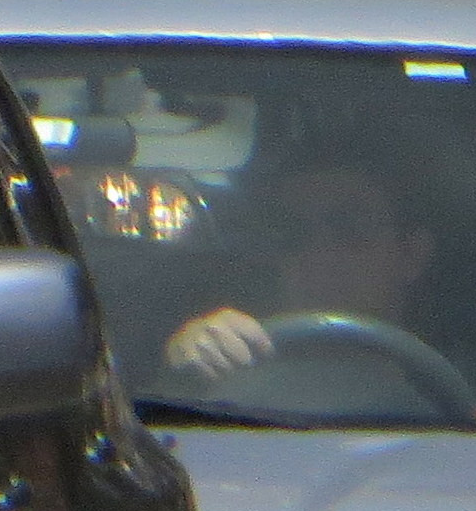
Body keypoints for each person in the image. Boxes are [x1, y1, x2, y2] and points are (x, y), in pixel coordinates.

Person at [164, 162, 438, 381]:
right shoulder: (237, 368)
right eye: (293, 232)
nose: (319, 253)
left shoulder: (473, 401)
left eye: (350, 226)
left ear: (411, 253)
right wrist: (193, 364)